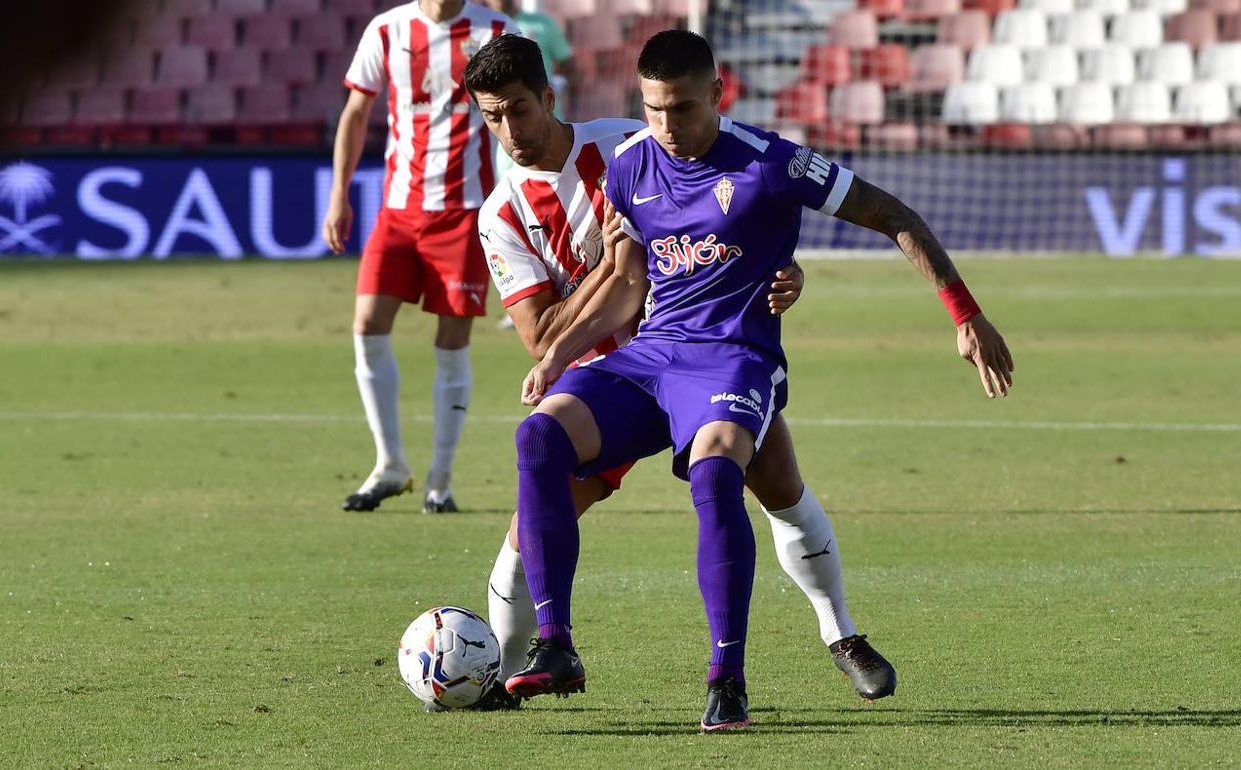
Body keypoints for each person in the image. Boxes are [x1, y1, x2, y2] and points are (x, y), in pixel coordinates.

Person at [509, 30, 1014, 731]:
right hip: (654, 355)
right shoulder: (629, 166)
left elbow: (891, 214)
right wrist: (558, 352)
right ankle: (555, 644)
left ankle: (728, 679)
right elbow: (626, 280)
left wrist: (965, 315)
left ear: (719, 95)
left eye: (683, 109)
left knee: (724, 476)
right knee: (538, 438)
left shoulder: (772, 162)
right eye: (653, 110)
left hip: (735, 360)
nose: (666, 127)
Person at [461, 34, 896, 712]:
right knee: (529, 526)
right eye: (492, 117)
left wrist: (782, 269)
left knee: (779, 490)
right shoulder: (500, 217)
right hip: (611, 380)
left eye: (519, 109)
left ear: (548, 99)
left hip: (712, 354)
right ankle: (506, 675)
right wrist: (609, 275)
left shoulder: (634, 140)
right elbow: (542, 335)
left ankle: (840, 635)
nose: (509, 130)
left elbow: (728, 203)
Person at [323, 0, 518, 513]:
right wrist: (338, 193)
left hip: (465, 211)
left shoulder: (496, 29)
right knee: (367, 325)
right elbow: (356, 111)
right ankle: (389, 465)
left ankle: (440, 479)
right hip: (398, 209)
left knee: (452, 340)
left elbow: (530, 112)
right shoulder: (387, 29)